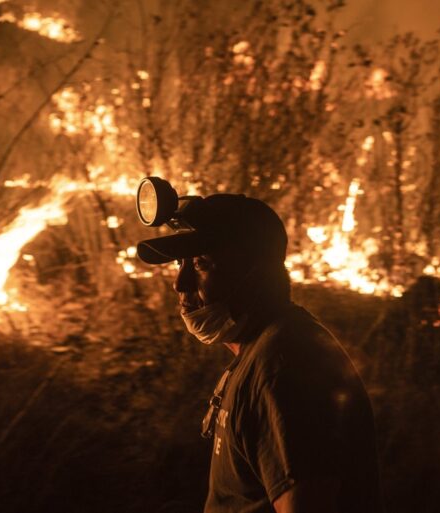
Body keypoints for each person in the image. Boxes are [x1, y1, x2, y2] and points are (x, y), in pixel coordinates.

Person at [137, 193, 382, 513]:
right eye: (181, 264)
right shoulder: (260, 354)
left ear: (255, 274)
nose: (180, 283)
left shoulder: (283, 367)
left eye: (201, 264)